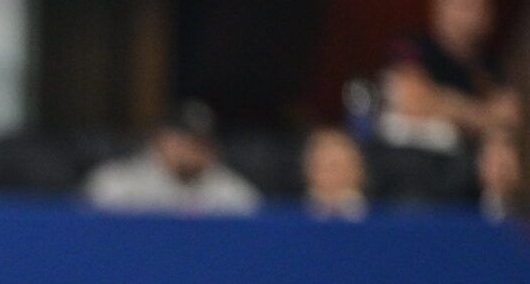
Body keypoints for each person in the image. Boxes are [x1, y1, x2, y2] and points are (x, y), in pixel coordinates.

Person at [380, 0, 520, 155]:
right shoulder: (411, 46)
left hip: (466, 169)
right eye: (465, 4)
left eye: (482, 5)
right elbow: (413, 100)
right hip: (411, 160)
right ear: (439, 5)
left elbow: (509, 118)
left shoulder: (490, 68)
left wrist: (443, 102)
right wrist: (483, 114)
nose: (474, 15)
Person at [84, 102, 262, 216]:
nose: (192, 149)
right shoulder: (116, 183)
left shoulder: (232, 192)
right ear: (160, 139)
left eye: (201, 141)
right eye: (183, 139)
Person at [303, 127, 369, 221]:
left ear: (357, 170)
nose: (330, 175)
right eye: (323, 167)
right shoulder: (290, 216)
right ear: (308, 170)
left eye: (336, 166)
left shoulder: (382, 216)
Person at [478, 132, 522, 222]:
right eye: (495, 164)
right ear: (481, 164)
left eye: (506, 165)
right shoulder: (458, 202)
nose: (502, 172)